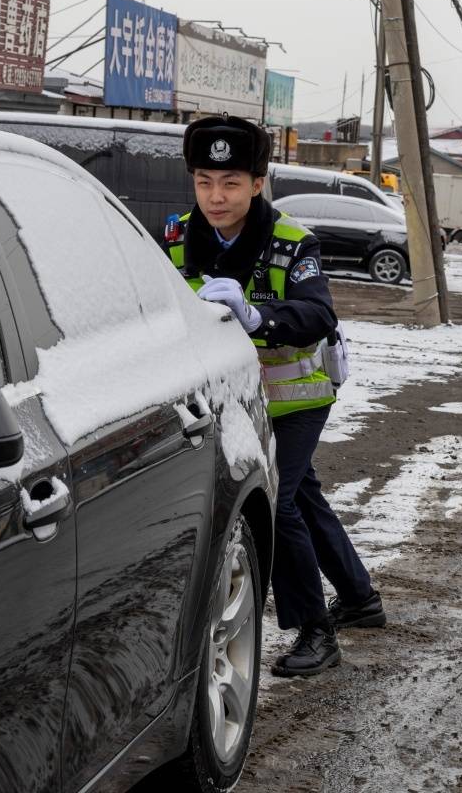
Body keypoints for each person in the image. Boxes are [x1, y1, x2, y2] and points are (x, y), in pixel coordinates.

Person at [167, 115, 385, 678]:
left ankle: (316, 630)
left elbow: (317, 314)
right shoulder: (176, 237)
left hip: (295, 400)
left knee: (278, 502)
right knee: (302, 493)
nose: (216, 197)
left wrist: (257, 316)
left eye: (231, 183)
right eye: (204, 182)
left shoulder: (292, 242)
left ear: (258, 183)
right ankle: (358, 596)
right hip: (232, 399)